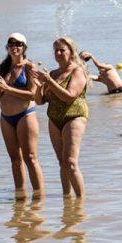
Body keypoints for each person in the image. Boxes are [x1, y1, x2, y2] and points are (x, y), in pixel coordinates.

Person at [0, 33, 44, 199]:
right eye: (11, 44)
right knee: (14, 160)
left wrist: (8, 87)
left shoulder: (29, 67)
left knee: (31, 158)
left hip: (25, 115)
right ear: (7, 47)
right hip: (5, 117)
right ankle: (20, 198)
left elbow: (32, 94)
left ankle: (39, 198)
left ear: (24, 47)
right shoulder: (3, 67)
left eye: (18, 44)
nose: (15, 47)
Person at [34, 37, 88, 198]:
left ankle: (80, 202)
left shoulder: (78, 70)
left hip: (74, 117)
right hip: (54, 119)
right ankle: (67, 201)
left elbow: (70, 96)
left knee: (71, 163)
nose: (58, 53)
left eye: (62, 50)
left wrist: (49, 81)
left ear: (71, 52)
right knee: (62, 163)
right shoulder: (52, 73)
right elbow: (39, 101)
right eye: (55, 50)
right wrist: (38, 84)